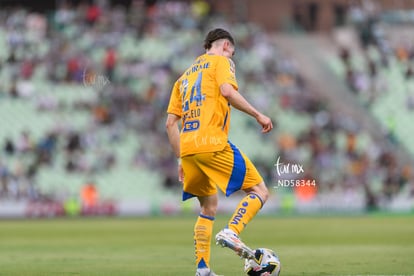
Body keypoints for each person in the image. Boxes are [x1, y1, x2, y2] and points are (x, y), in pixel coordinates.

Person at [165, 28, 273, 276]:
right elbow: (227, 91)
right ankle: (232, 231)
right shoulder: (222, 61)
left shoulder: (182, 78)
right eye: (232, 50)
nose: (231, 55)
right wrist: (258, 114)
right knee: (259, 191)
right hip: (211, 142)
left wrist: (181, 157)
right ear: (225, 46)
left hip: (189, 148)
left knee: (208, 206)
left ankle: (202, 270)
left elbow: (170, 123)